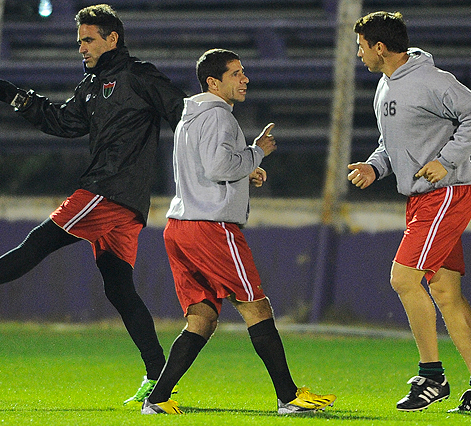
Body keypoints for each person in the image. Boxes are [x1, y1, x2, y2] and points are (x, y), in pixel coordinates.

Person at [0, 4, 186, 406]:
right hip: (123, 199)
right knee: (119, 289)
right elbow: (64, 122)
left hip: (108, 190)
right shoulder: (92, 85)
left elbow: (183, 111)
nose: (82, 47)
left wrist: (222, 159)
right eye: (79, 41)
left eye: (89, 39)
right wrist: (18, 98)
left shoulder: (138, 75)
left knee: (38, 243)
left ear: (113, 39)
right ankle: (158, 377)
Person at [140, 48, 336, 415]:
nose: (244, 79)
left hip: (180, 226)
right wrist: (256, 153)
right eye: (235, 73)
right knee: (255, 305)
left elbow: (207, 168)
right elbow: (217, 167)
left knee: (202, 318)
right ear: (213, 82)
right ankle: (288, 397)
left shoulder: (189, 117)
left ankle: (158, 398)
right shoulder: (218, 117)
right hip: (211, 228)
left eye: (243, 72)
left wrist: (245, 169)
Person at [348, 11, 471, 413]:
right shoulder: (385, 86)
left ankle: (432, 376)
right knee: (445, 292)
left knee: (403, 280)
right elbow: (390, 145)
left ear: (380, 47)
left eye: (362, 45)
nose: (359, 53)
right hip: (422, 200)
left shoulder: (432, 80)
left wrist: (448, 159)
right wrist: (374, 166)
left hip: (445, 195)